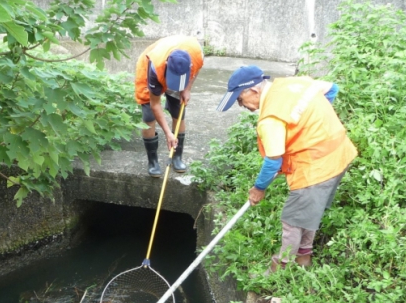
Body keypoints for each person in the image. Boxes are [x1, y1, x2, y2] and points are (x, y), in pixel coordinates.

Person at [216, 65, 356, 273]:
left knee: (291, 219)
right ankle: (303, 258)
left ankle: (279, 269)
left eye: (239, 99)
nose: (241, 105)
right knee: (309, 211)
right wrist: (313, 123)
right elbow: (332, 89)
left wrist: (259, 188)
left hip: (315, 167)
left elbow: (273, 161)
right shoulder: (294, 83)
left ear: (253, 91)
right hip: (339, 154)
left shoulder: (270, 119)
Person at [134, 35, 204, 176]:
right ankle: (153, 161)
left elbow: (196, 70)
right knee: (148, 116)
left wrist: (187, 88)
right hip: (150, 70)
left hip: (177, 68)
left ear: (189, 66)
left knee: (178, 110)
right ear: (166, 64)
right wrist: (168, 133)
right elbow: (155, 104)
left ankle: (176, 156)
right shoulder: (155, 65)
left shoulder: (197, 55)